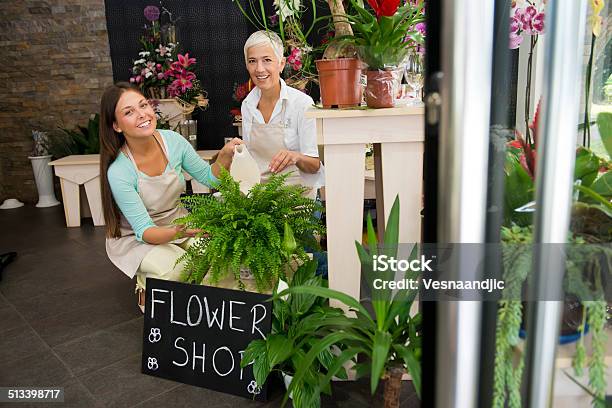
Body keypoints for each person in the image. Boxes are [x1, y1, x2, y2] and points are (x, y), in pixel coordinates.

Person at [99, 82, 242, 312]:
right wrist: (182, 232)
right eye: (129, 112)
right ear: (116, 126)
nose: (142, 114)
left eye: (143, 105)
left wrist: (225, 156)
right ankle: (145, 285)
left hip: (177, 221)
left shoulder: (173, 142)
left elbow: (210, 179)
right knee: (177, 268)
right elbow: (145, 231)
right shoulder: (119, 171)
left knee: (217, 252)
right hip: (138, 238)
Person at [240, 31, 324, 198]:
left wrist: (295, 157)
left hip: (299, 201)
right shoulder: (247, 105)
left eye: (267, 60)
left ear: (281, 63)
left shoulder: (302, 104)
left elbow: (314, 165)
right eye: (252, 61)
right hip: (261, 202)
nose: (259, 69)